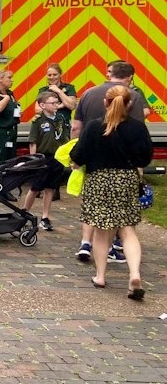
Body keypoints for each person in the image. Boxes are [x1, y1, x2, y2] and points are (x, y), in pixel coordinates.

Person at [69, 85, 152, 298]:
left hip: (99, 180)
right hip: (126, 180)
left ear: (105, 102)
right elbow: (145, 158)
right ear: (129, 104)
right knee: (127, 229)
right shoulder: (138, 128)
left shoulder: (95, 127)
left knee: (101, 230)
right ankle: (134, 274)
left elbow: (78, 155)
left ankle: (100, 276)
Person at [71, 60, 147, 262]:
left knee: (94, 212)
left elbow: (76, 128)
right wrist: (138, 168)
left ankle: (87, 245)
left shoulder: (88, 95)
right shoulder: (135, 97)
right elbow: (141, 143)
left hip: (96, 170)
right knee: (125, 224)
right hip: (125, 173)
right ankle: (127, 263)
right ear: (129, 77)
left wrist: (75, 157)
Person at [21, 91, 69, 231]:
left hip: (58, 157)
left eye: (57, 103)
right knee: (35, 188)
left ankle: (45, 217)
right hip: (43, 158)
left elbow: (65, 138)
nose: (56, 105)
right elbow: (33, 141)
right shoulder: (38, 121)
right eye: (53, 103)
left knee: (50, 188)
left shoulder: (60, 119)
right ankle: (24, 212)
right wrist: (33, 160)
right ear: (42, 105)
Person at [0, 70, 20, 163]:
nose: (12, 80)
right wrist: (6, 99)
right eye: (9, 78)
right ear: (0, 79)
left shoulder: (10, 93)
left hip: (11, 132)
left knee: (11, 160)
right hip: (0, 133)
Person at [39, 63, 78, 127]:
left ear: (60, 75)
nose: (52, 77)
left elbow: (72, 105)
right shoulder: (43, 90)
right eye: (49, 75)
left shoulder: (69, 88)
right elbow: (38, 109)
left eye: (55, 75)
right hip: (46, 126)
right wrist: (61, 105)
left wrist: (59, 91)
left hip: (64, 126)